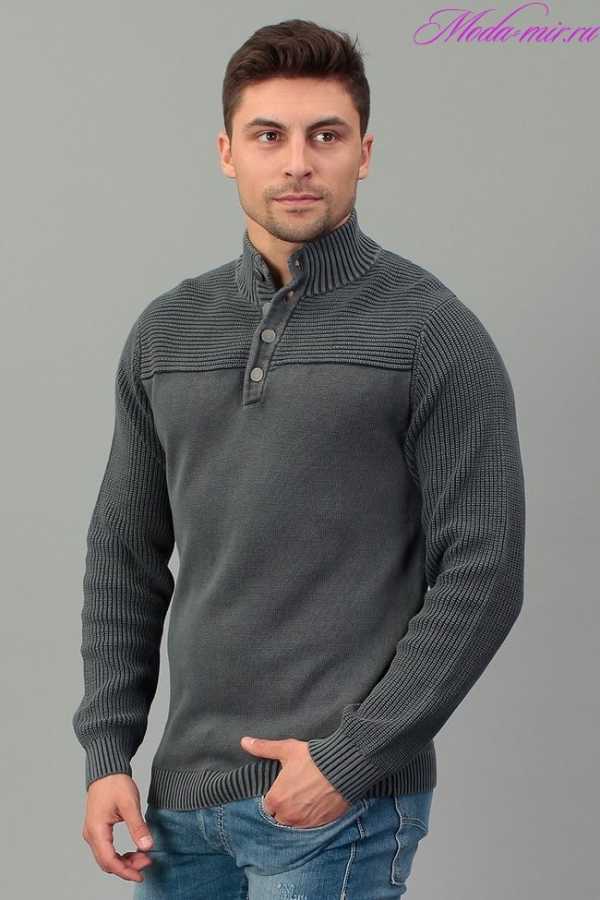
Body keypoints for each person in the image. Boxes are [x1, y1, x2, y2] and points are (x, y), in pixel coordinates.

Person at [72, 17, 526, 899]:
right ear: (227, 152)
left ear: (364, 152)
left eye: (325, 136)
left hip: (334, 804)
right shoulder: (166, 334)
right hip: (179, 803)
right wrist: (107, 753)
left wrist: (351, 759)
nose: (297, 163)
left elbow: (486, 572)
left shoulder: (432, 332)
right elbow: (123, 556)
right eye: (268, 136)